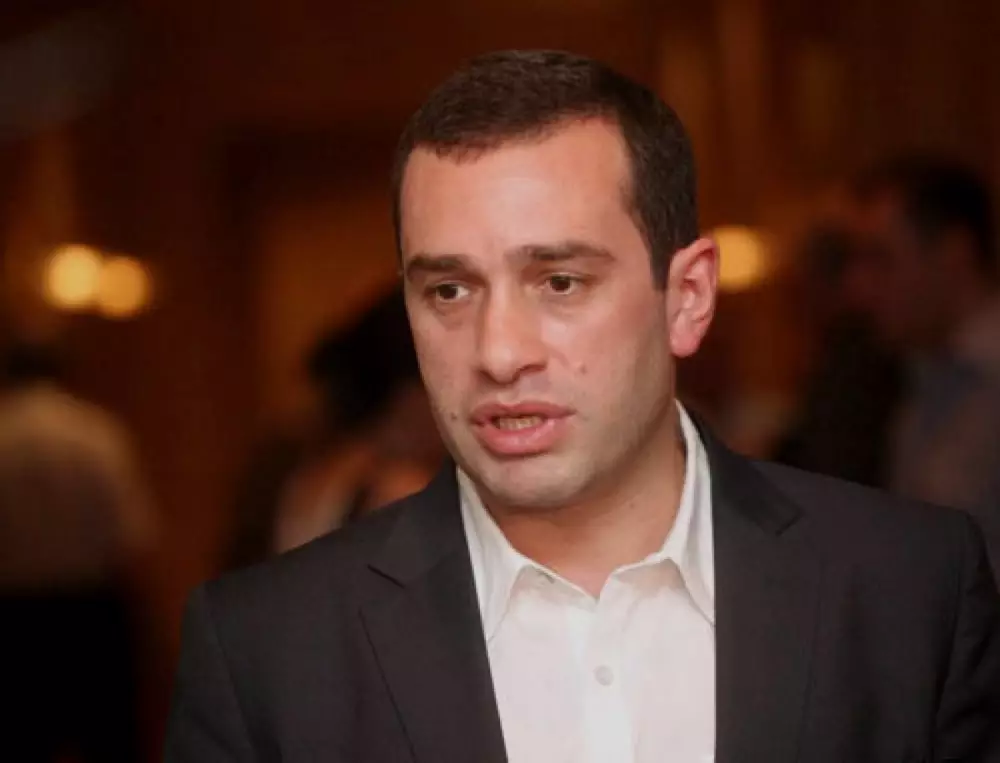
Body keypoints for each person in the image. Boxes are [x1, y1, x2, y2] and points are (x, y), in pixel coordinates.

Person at [166, 51, 1000, 762]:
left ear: (688, 297)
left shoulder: (910, 589)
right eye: (449, 290)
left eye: (559, 282)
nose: (499, 352)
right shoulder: (265, 654)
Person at [0, 340, 154, 762]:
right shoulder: (96, 434)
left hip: (14, 616)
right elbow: (130, 536)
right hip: (90, 611)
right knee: (107, 741)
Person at [855, 157, 1000, 578]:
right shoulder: (917, 372)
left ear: (953, 255)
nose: (864, 287)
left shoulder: (988, 380)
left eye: (883, 259)